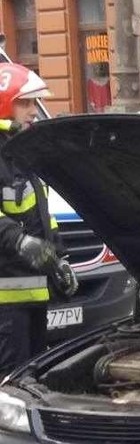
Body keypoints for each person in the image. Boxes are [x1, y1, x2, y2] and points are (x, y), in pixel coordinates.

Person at [0, 63, 78, 375]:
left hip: (33, 295)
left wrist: (60, 258)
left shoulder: (22, 153)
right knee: (9, 383)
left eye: (35, 103)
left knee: (31, 379)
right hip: (5, 302)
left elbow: (43, 217)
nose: (34, 111)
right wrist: (20, 241)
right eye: (26, 102)